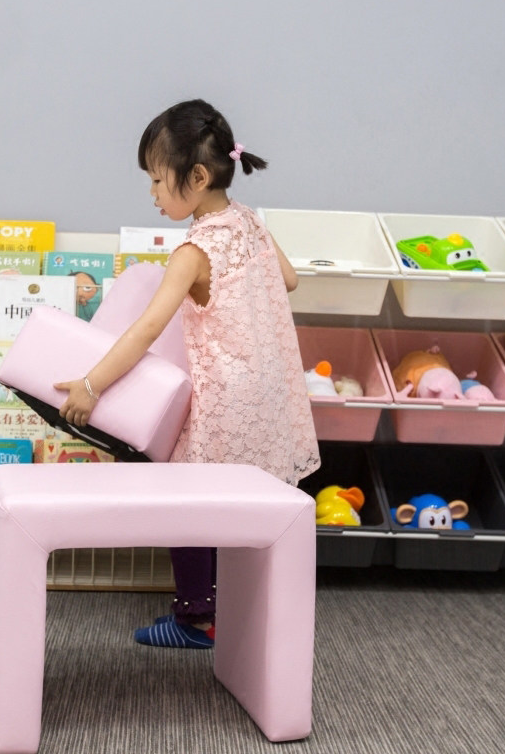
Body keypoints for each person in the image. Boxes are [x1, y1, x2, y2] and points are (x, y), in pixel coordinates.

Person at [54, 99, 320, 648]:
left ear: (196, 178)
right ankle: (243, 615)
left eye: (157, 180)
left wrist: (91, 385)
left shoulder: (193, 252)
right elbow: (290, 280)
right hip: (268, 393)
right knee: (243, 503)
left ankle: (195, 618)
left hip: (224, 397)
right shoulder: (248, 220)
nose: (152, 192)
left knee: (185, 496)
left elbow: (146, 329)